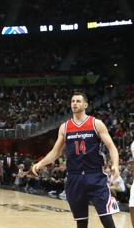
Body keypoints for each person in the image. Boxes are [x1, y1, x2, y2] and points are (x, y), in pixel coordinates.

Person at [32, 92, 120, 228]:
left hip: (95, 175)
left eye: (78, 101)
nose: (75, 103)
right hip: (74, 176)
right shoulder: (65, 127)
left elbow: (112, 147)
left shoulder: (96, 123)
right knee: (81, 221)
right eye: (73, 101)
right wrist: (40, 163)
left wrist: (115, 165)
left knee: (106, 216)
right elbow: (55, 152)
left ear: (85, 105)